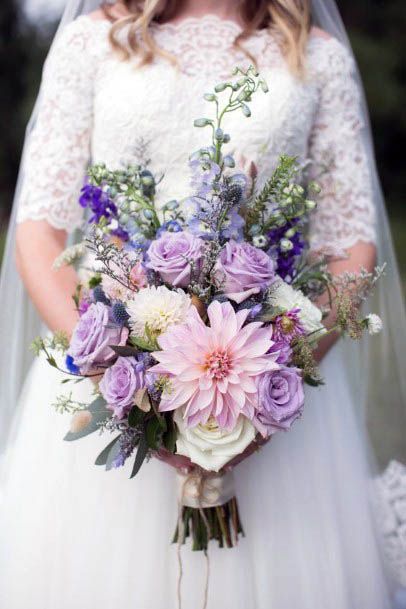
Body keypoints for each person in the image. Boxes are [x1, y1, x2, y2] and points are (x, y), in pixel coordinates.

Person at [0, 1, 404, 607]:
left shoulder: (319, 56)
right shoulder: (94, 41)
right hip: (108, 391)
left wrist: (271, 376)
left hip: (274, 404)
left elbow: (351, 242)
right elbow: (38, 230)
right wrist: (122, 377)